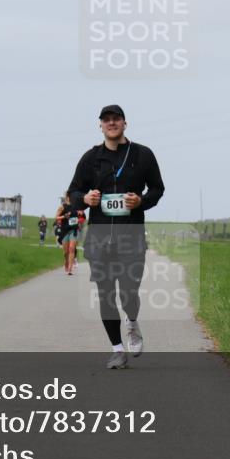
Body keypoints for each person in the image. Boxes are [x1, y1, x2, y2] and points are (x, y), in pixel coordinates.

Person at [67, 105, 164, 369]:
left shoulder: (143, 155)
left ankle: (131, 322)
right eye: (106, 120)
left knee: (129, 292)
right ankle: (117, 349)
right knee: (106, 294)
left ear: (124, 123)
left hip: (131, 236)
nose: (112, 123)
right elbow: (73, 192)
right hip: (99, 238)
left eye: (116, 119)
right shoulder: (91, 158)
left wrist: (140, 201)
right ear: (100, 125)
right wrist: (85, 199)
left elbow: (157, 188)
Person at [56, 196, 80, 275]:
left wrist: (79, 218)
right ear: (67, 198)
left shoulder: (76, 206)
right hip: (65, 231)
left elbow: (80, 215)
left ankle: (70, 268)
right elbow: (56, 217)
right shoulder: (62, 207)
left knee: (72, 248)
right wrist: (64, 216)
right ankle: (66, 262)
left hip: (73, 230)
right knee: (66, 252)